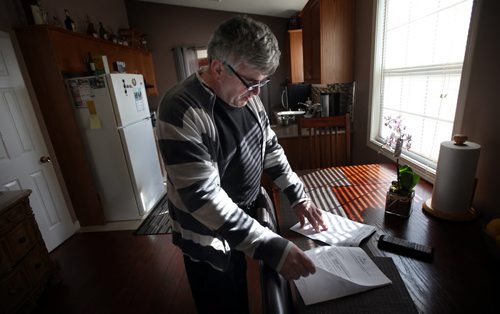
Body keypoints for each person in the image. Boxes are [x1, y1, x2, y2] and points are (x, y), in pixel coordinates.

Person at [156, 16, 327, 314]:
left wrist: (296, 194)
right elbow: (203, 197)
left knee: (240, 284)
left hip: (243, 215)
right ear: (218, 68)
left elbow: (270, 147)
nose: (258, 92)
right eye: (252, 82)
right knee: (221, 301)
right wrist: (271, 246)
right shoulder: (181, 108)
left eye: (263, 82)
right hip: (206, 230)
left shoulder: (247, 97)